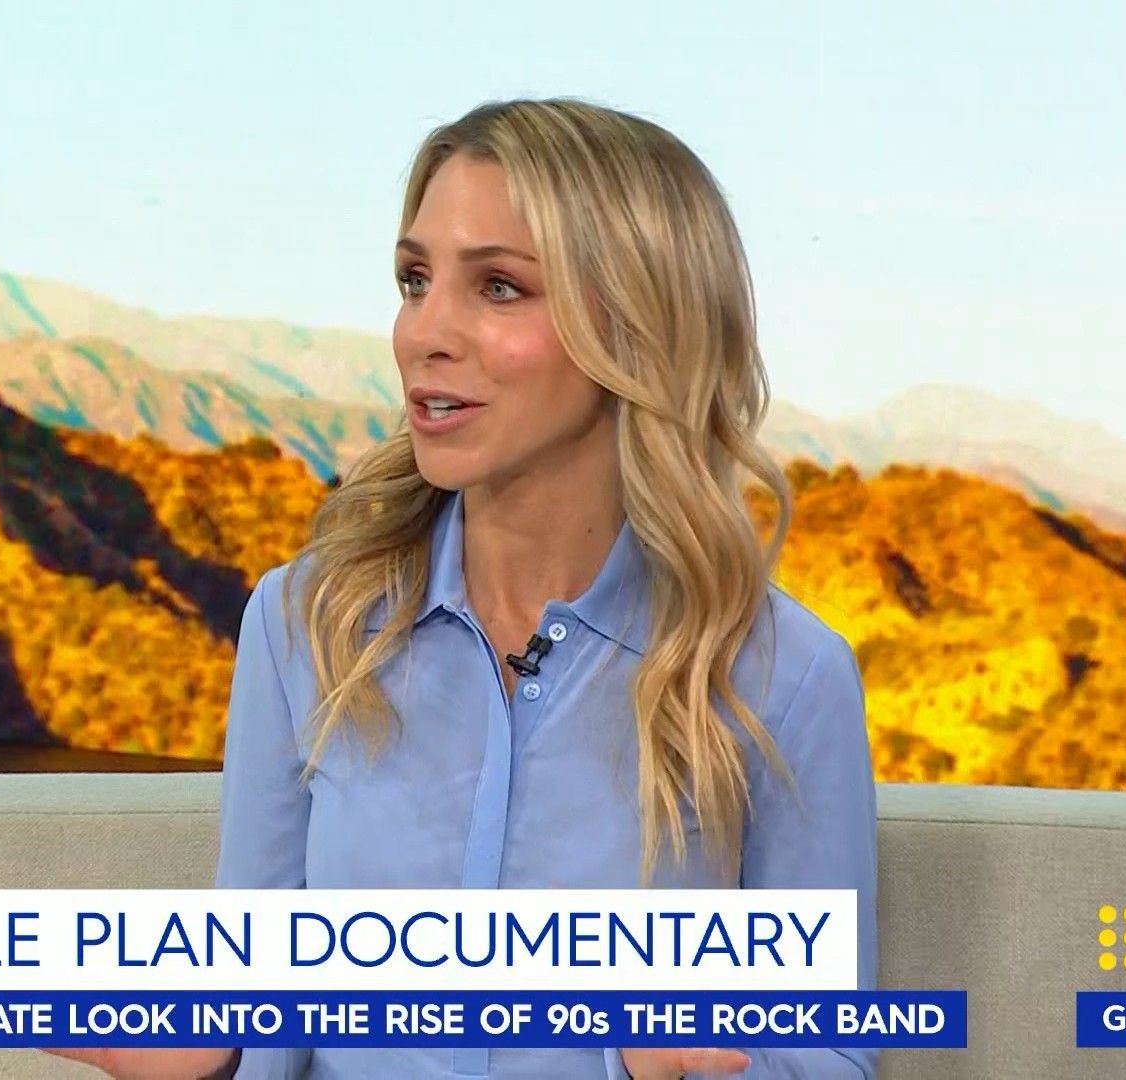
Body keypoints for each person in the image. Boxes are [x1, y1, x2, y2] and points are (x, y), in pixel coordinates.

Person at [47, 97, 878, 1080]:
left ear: (639, 330)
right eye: (415, 280)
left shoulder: (783, 678)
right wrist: (210, 1058)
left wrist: (651, 1060)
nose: (424, 333)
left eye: (498, 287)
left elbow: (830, 1059)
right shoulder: (303, 623)